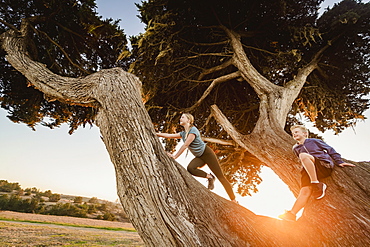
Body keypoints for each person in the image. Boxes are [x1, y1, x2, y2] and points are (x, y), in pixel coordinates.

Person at [278, 125, 355, 222]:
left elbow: (330, 150)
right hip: (309, 171)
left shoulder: (314, 141)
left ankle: (316, 183)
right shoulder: (295, 148)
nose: (294, 134)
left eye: (296, 132)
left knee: (303, 155)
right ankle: (292, 214)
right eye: (293, 133)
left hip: (323, 165)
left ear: (305, 133)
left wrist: (339, 161)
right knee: (304, 191)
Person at [156, 113, 237, 203]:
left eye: (183, 117)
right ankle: (209, 177)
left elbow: (186, 145)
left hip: (207, 154)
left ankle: (233, 199)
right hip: (200, 156)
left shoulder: (193, 130)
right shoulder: (183, 134)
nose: (180, 119)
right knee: (190, 168)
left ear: (188, 120)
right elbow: (170, 135)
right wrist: (156, 134)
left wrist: (175, 156)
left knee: (221, 177)